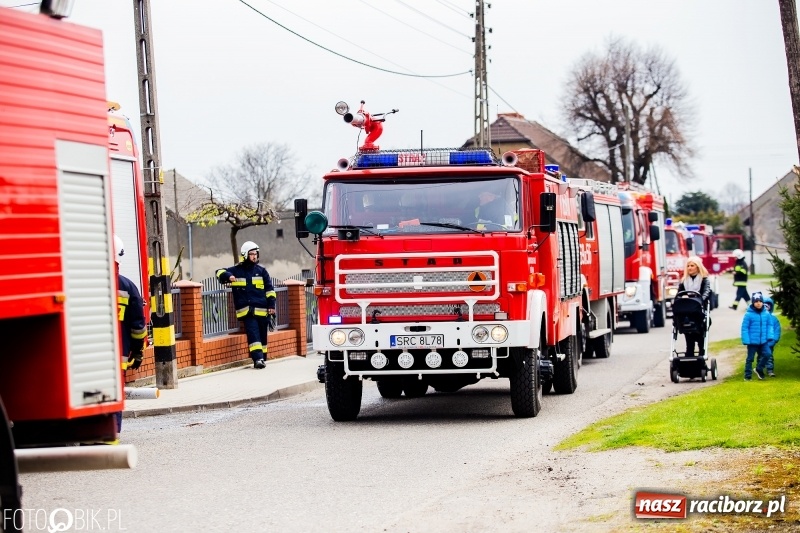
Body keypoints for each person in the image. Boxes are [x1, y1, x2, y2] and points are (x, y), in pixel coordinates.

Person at [216, 241, 276, 369]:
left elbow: (270, 290)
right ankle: (258, 359)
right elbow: (219, 272)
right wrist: (229, 276)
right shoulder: (236, 270)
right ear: (245, 255)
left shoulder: (262, 271)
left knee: (262, 337)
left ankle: (263, 358)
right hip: (247, 311)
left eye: (256, 254)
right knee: (253, 334)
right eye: (252, 254)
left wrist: (271, 306)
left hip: (263, 311)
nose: (254, 256)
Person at [114, 235, 147, 434]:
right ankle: (111, 433)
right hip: (118, 356)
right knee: (115, 393)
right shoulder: (127, 286)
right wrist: (138, 352)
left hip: (85, 357)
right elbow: (138, 326)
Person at [677, 256, 712, 357]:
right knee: (688, 334)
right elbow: (679, 293)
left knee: (700, 334)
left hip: (699, 309)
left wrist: (700, 299)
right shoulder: (684, 281)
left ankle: (701, 352)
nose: (689, 268)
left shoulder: (704, 280)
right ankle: (689, 353)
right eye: (688, 266)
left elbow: (706, 292)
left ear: (698, 267)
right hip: (686, 310)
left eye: (692, 266)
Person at [741, 291, 774, 381]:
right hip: (752, 341)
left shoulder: (766, 313)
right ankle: (747, 376)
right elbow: (745, 328)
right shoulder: (748, 314)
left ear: (762, 302)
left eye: (760, 301)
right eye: (756, 301)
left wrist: (770, 336)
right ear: (753, 303)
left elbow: (770, 325)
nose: (758, 303)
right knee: (750, 359)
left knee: (767, 354)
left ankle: (759, 368)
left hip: (763, 341)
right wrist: (746, 340)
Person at [762, 296, 781, 377]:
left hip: (770, 342)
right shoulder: (759, 318)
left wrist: (775, 339)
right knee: (760, 357)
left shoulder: (774, 319)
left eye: (767, 306)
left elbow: (777, 329)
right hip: (760, 341)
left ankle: (770, 370)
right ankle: (760, 370)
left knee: (769, 357)